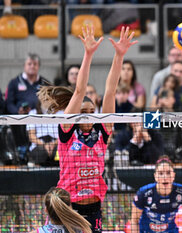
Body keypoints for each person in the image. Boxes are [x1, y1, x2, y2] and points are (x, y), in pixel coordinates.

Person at [38, 25, 137, 232]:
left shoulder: (101, 132)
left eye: (92, 110)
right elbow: (80, 90)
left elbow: (110, 91)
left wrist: (119, 56)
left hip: (94, 207)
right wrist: (88, 54)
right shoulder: (67, 132)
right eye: (84, 110)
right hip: (68, 206)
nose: (89, 114)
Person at [131, 156, 182, 233]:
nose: (165, 177)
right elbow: (134, 221)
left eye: (168, 173)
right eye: (161, 173)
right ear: (155, 176)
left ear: (174, 175)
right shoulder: (143, 192)